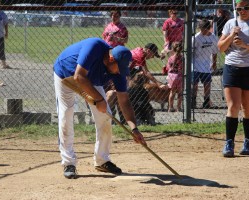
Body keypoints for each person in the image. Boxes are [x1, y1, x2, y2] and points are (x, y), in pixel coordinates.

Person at [53, 37, 146, 179]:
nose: (119, 72)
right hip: (66, 73)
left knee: (105, 115)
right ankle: (68, 163)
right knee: (66, 115)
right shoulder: (94, 46)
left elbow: (124, 100)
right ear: (110, 59)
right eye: (119, 68)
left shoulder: (118, 71)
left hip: (88, 78)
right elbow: (78, 77)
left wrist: (134, 128)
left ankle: (102, 160)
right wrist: (100, 100)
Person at [217, 0, 249, 157]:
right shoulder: (230, 23)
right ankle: (229, 142)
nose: (242, 11)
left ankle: (248, 141)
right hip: (232, 67)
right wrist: (230, 36)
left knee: (247, 109)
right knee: (233, 107)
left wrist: (244, 44)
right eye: (239, 8)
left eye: (245, 8)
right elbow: (221, 47)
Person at [192, 19, 218, 109]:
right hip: (195, 64)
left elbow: (215, 52)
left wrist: (214, 63)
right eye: (201, 29)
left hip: (206, 64)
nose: (202, 31)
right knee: (194, 84)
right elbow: (191, 51)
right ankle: (193, 101)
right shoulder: (196, 38)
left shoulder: (213, 37)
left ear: (209, 28)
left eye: (204, 29)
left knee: (207, 84)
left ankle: (206, 101)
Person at [166, 42, 183, 112]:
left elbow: (167, 67)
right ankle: (178, 107)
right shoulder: (182, 58)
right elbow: (182, 68)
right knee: (180, 93)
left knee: (172, 92)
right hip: (179, 76)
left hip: (171, 76)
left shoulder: (170, 58)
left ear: (173, 49)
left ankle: (170, 107)